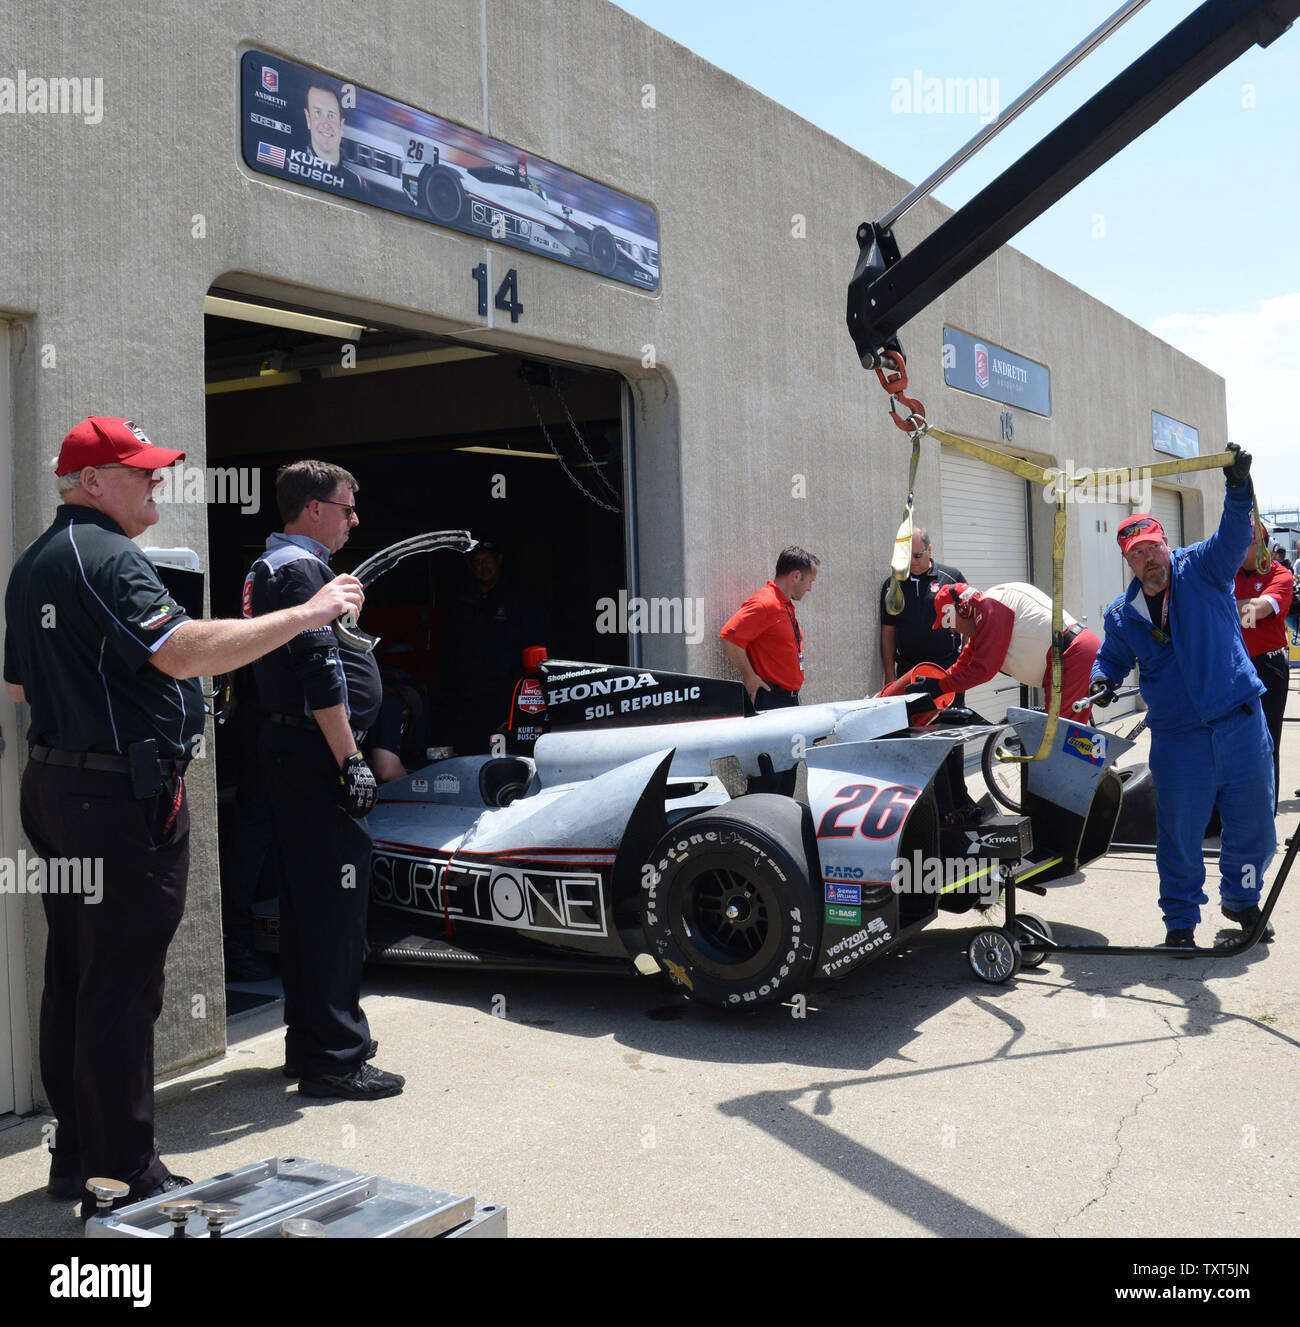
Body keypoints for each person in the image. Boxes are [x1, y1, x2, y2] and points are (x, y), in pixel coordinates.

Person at [3, 416, 364, 1217]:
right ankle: (124, 1174)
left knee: (75, 973)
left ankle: (77, 1158)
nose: (157, 481)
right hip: (119, 800)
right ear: (92, 482)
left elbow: (23, 689)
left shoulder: (34, 563)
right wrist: (310, 614)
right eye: (141, 471)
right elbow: (184, 650)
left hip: (59, 788)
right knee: (123, 986)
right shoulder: (106, 556)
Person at [244, 460, 404, 1099]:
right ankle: (336, 1057)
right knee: (335, 908)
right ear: (313, 508)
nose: (355, 518)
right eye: (347, 506)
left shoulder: (279, 567)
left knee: (307, 902)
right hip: (315, 755)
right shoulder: (300, 572)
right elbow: (320, 674)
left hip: (291, 751)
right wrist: (352, 759)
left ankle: (312, 1043)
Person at [1090, 444, 1276, 948]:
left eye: (1152, 547)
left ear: (1165, 542)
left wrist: (1238, 488)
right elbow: (1112, 656)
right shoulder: (1122, 613)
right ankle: (1179, 924)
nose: (1148, 559)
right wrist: (1102, 678)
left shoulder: (1205, 567)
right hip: (1178, 737)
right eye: (1136, 554)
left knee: (1252, 823)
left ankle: (1242, 902)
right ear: (1127, 561)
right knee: (1178, 834)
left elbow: (1236, 534)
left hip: (1239, 720)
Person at [907, 580, 1102, 721]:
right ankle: (1103, 773)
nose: (951, 630)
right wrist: (935, 684)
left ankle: (1101, 776)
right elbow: (964, 664)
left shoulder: (990, 606)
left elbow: (983, 669)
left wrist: (941, 687)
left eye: (947, 621)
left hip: (1071, 656)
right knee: (1064, 741)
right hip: (1069, 657)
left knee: (1060, 741)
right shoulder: (985, 616)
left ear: (961, 608)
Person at [438, 539, 548, 754]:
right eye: (478, 562)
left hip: (509, 689)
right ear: (471, 567)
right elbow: (450, 648)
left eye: (487, 560)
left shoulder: (520, 599)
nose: (484, 567)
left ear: (499, 560)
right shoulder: (461, 600)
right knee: (473, 746)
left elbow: (537, 642)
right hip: (470, 691)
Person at [1234, 522, 1292, 812]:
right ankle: (1223, 813)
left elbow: (1259, 610)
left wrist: (1229, 607)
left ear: (1260, 544)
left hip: (1268, 665)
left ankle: (1263, 812)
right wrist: (1245, 608)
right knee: (1226, 739)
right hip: (1231, 663)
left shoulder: (1280, 573)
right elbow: (1247, 611)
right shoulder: (1226, 571)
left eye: (1243, 542)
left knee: (1266, 740)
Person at [719, 546, 819, 711]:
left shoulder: (784, 605)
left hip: (788, 699)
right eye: (810, 581)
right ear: (796, 576)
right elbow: (729, 636)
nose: (810, 588)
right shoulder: (766, 603)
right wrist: (749, 676)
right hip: (772, 699)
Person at [879, 528, 965, 694]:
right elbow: (888, 630)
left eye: (917, 555)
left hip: (947, 669)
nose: (912, 561)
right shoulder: (893, 586)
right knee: (914, 719)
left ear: (929, 550)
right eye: (907, 556)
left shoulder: (952, 577)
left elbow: (970, 618)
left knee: (949, 719)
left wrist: (964, 661)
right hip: (908, 671)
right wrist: (889, 674)